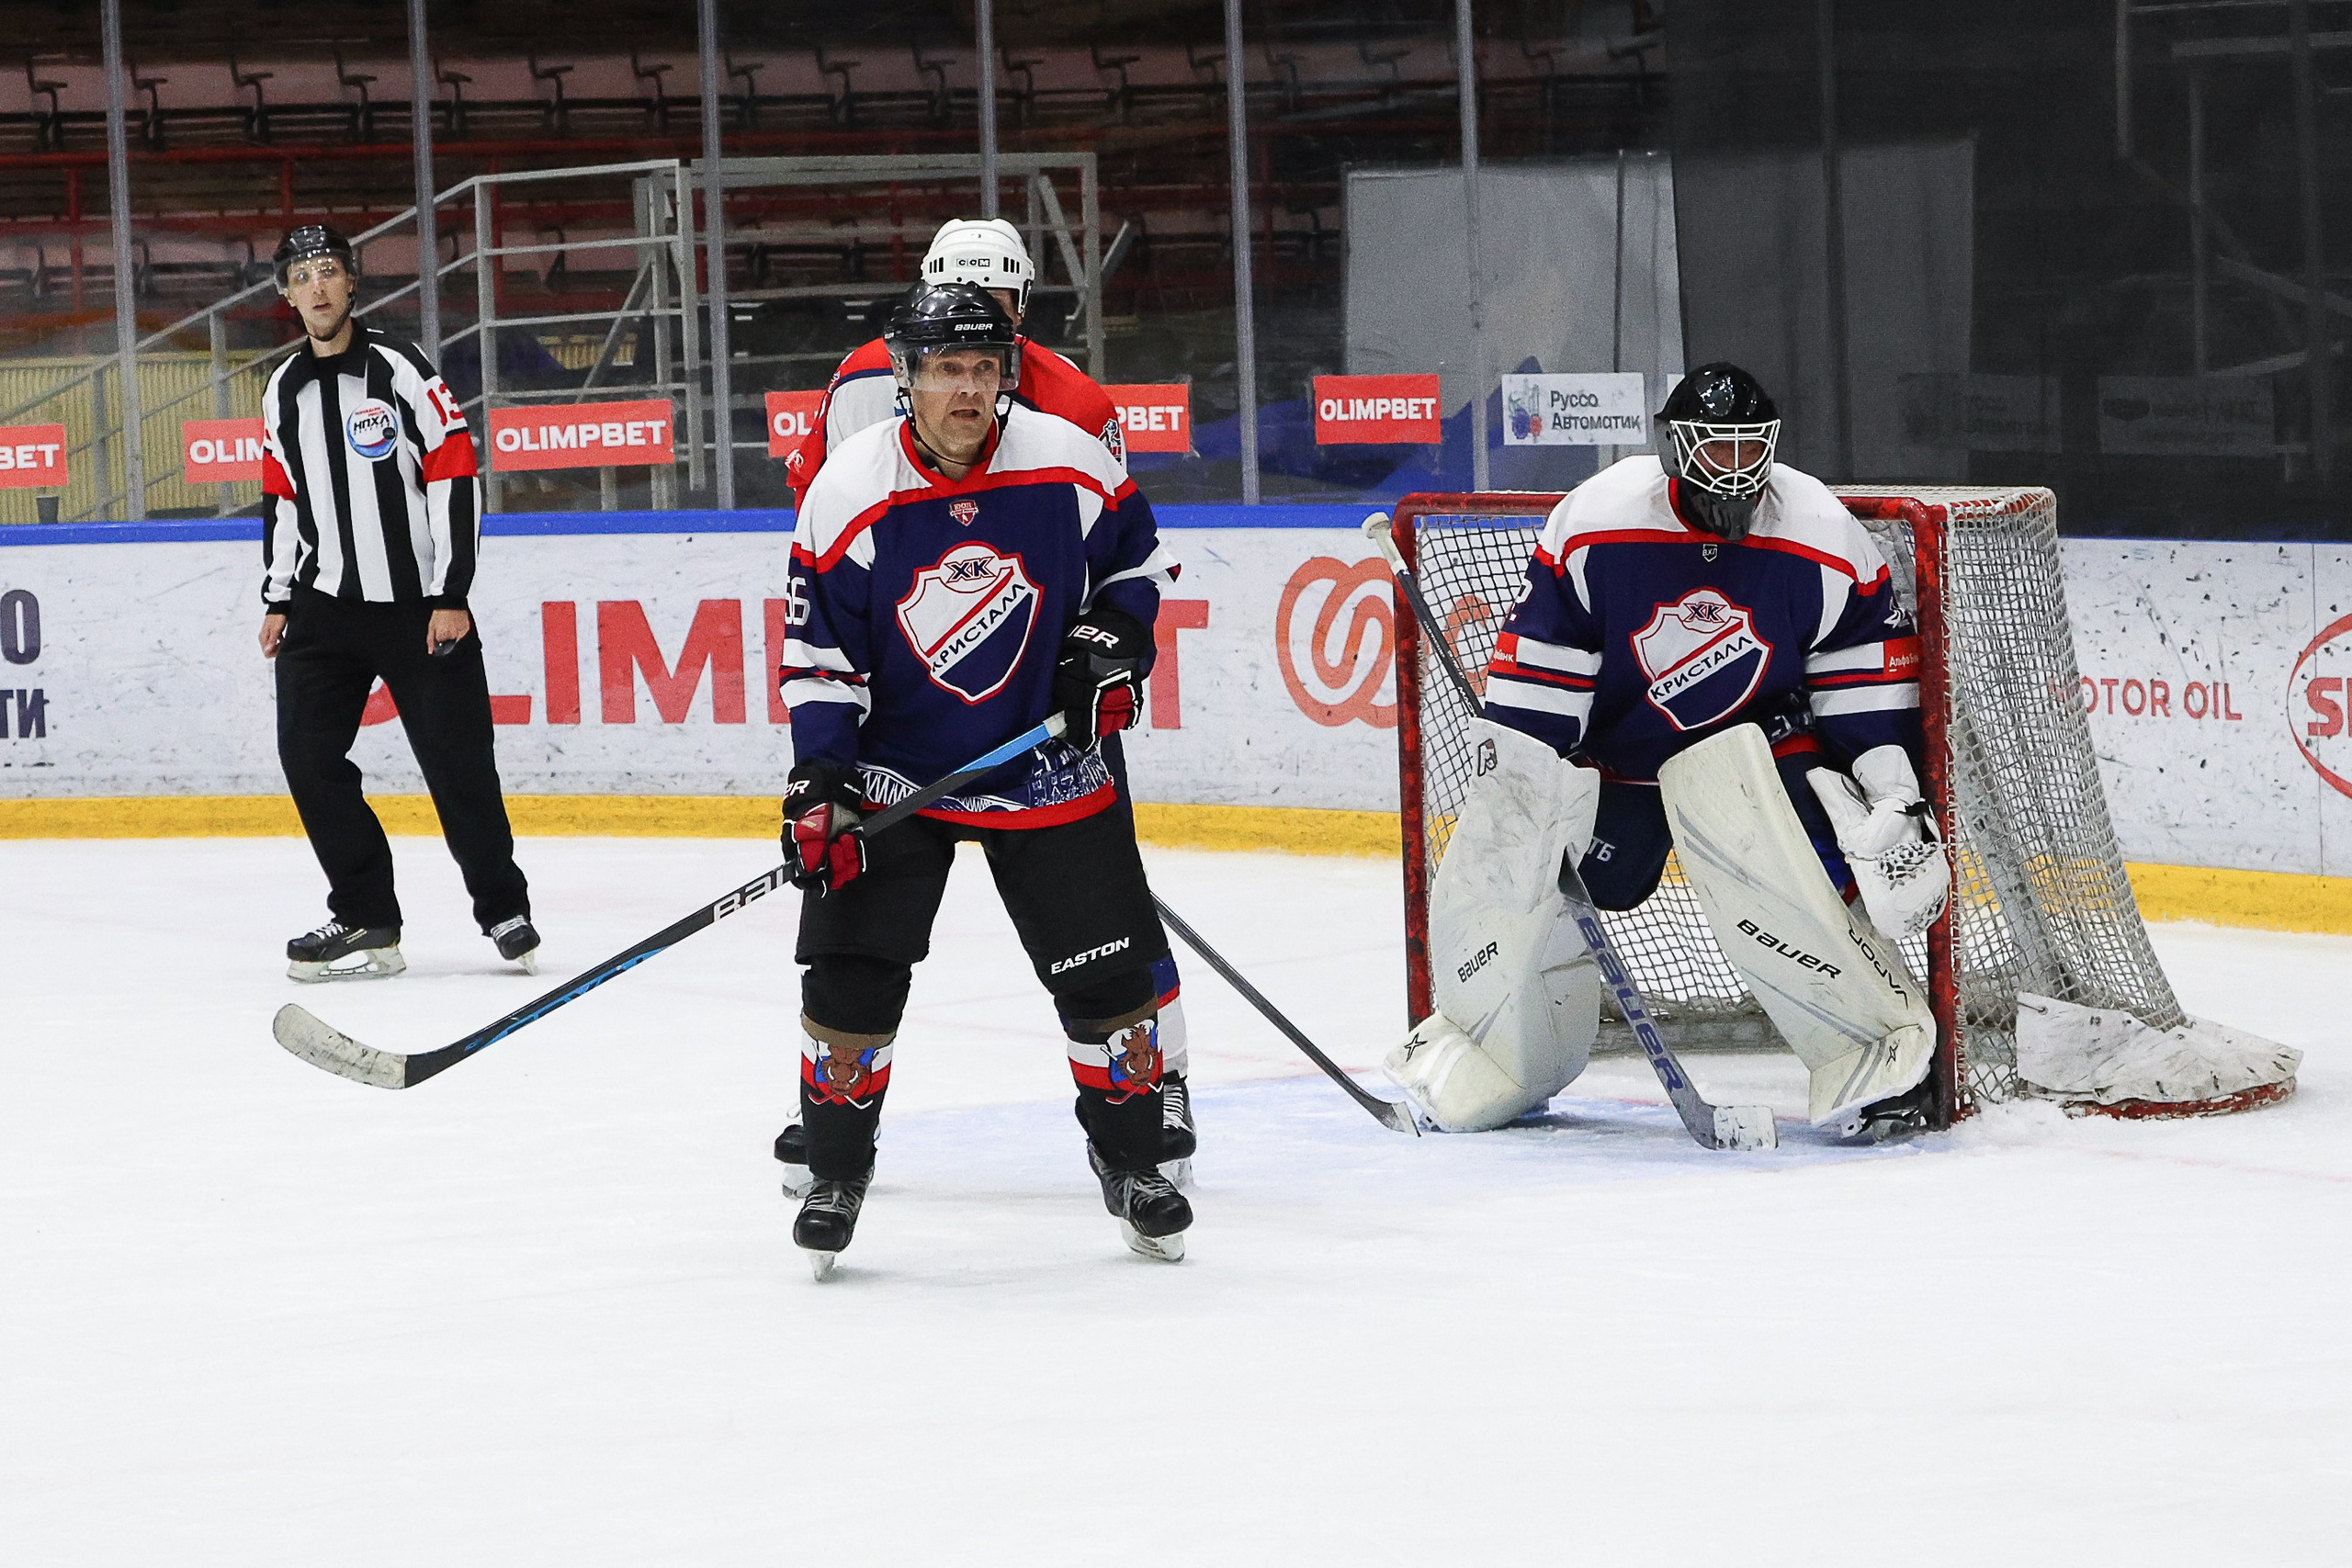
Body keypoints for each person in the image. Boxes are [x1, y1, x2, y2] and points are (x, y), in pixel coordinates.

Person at [1385, 363, 1951, 1140]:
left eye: (1754, 449)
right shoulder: (1600, 520)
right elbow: (1547, 662)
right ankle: (1493, 1048)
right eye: (1719, 451)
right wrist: (1532, 775)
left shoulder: (1819, 530)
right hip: (1622, 763)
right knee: (1522, 849)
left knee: (1794, 870)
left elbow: (1858, 671)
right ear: (1675, 448)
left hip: (1759, 754)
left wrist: (1891, 793)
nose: (1741, 469)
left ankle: (1883, 1056)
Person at [774, 217, 1196, 1190]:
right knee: (850, 964)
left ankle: (1147, 1110)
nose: (966, 383)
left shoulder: (1071, 430)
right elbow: (821, 628)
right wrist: (820, 769)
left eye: (986, 353)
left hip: (1047, 738)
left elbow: (1132, 566)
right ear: (907, 371)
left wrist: (1112, 644)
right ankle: (833, 1133)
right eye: (944, 365)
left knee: (1108, 956)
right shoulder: (852, 451)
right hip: (899, 756)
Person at [256, 222, 539, 983]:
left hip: (419, 607)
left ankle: (504, 907)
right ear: (286, 295)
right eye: (300, 275)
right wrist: (278, 598)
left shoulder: (401, 368)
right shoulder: (281, 388)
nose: (316, 285)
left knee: (458, 765)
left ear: (352, 284)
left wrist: (451, 593)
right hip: (324, 608)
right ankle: (366, 915)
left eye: (328, 271)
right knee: (308, 757)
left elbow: (454, 471)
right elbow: (283, 497)